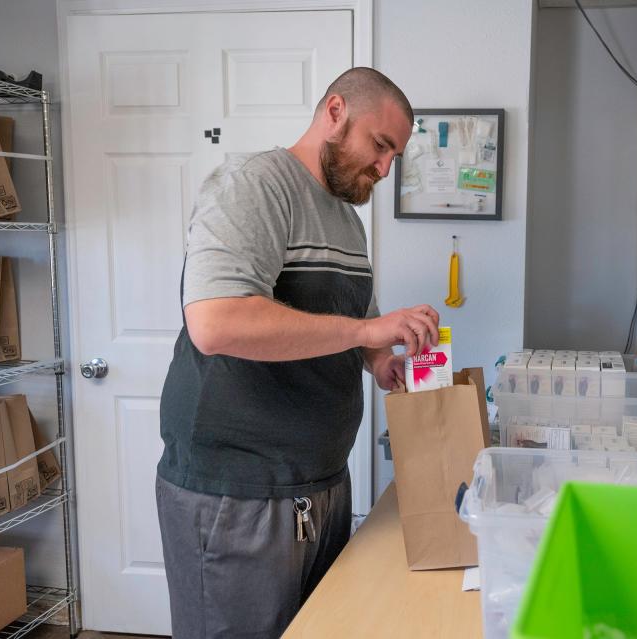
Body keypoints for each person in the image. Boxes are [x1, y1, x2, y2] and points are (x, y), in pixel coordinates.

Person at [155, 67, 439, 638]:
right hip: (239, 494)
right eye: (379, 146)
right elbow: (215, 322)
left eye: (394, 157)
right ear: (335, 111)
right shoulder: (254, 186)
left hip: (320, 484)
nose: (385, 169)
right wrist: (364, 334)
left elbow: (348, 320)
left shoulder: (346, 221)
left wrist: (379, 359)